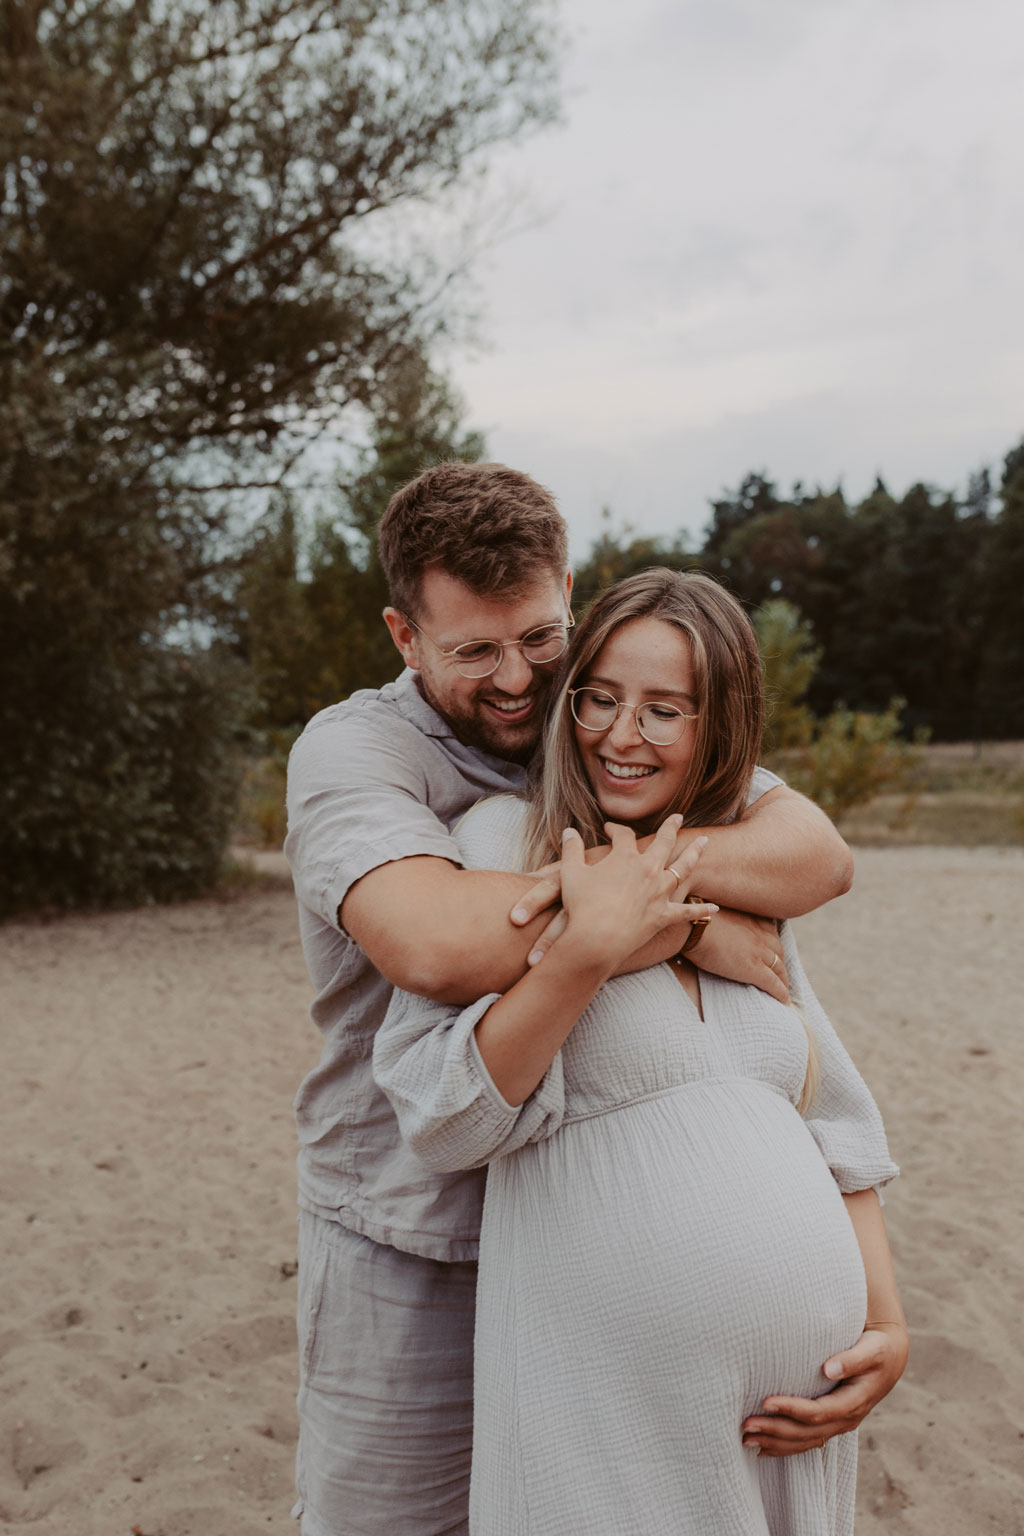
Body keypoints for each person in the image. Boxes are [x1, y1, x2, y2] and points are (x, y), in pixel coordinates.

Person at [284, 464, 860, 1536]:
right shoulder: (357, 750)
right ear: (404, 636)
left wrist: (661, 883)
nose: (519, 680)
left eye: (540, 637)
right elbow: (433, 940)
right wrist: (673, 914)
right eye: (475, 653)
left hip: (577, 1257)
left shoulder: (603, 720)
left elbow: (812, 854)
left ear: (567, 595)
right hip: (412, 1239)